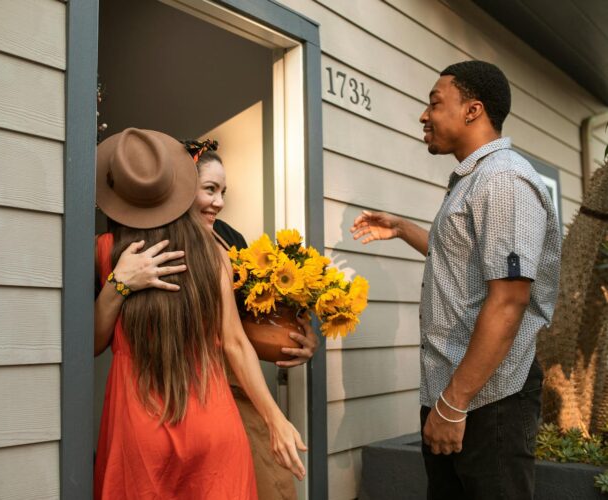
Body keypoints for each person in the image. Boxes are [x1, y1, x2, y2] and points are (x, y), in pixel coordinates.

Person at [351, 61, 561, 499]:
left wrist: (453, 404)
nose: (424, 115)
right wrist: (404, 229)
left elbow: (508, 300)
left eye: (434, 103)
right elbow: (467, 267)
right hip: (459, 393)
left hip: (488, 400)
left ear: (473, 110)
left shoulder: (502, 180)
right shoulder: (478, 180)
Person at [93, 128, 306, 499]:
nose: (218, 202)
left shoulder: (107, 250)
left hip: (138, 428)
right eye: (210, 190)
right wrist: (276, 419)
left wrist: (118, 283)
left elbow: (92, 343)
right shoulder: (215, 254)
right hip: (214, 423)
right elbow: (236, 344)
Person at [186, 140, 319, 500]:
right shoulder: (161, 242)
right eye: (209, 190)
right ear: (180, 185)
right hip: (182, 392)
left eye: (223, 191)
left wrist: (299, 341)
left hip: (234, 385)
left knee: (271, 482)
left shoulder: (231, 241)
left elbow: (248, 326)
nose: (219, 202)